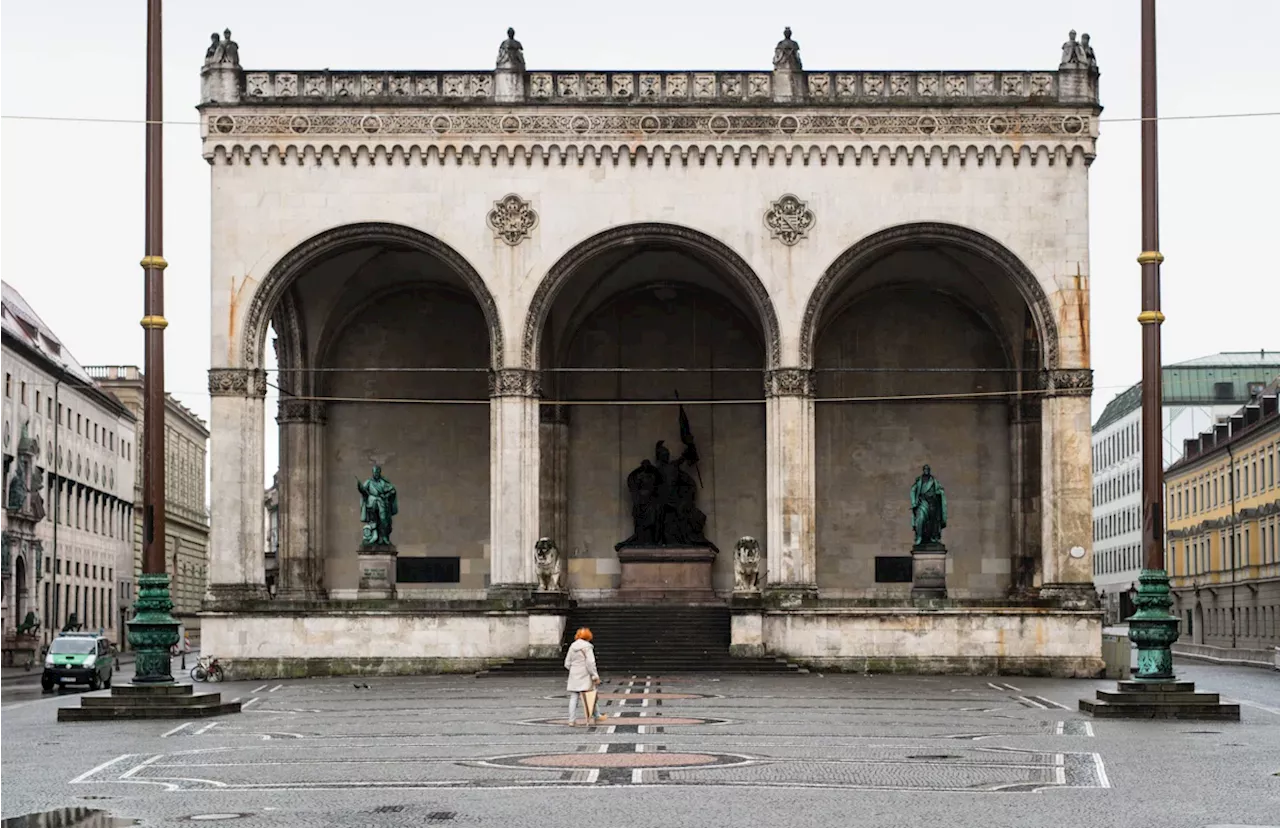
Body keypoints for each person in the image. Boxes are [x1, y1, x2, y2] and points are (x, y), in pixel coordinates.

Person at [564, 627, 605, 726]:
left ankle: (571, 720)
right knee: (591, 695)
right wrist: (595, 675)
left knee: (574, 697)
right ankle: (596, 715)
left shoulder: (572, 646)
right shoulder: (587, 647)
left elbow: (567, 663)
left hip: (574, 675)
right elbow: (590, 663)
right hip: (585, 674)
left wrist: (574, 670)